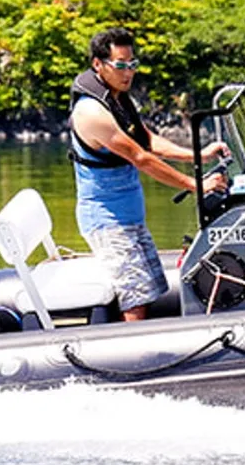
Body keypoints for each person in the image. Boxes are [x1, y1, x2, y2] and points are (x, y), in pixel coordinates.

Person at [70, 26, 228, 321]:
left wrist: (199, 153)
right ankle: (133, 359)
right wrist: (196, 185)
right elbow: (140, 157)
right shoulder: (92, 112)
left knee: (152, 285)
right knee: (136, 296)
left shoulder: (117, 98)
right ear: (98, 64)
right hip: (107, 220)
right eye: (120, 65)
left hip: (129, 215)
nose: (128, 72)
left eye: (132, 65)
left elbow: (148, 140)